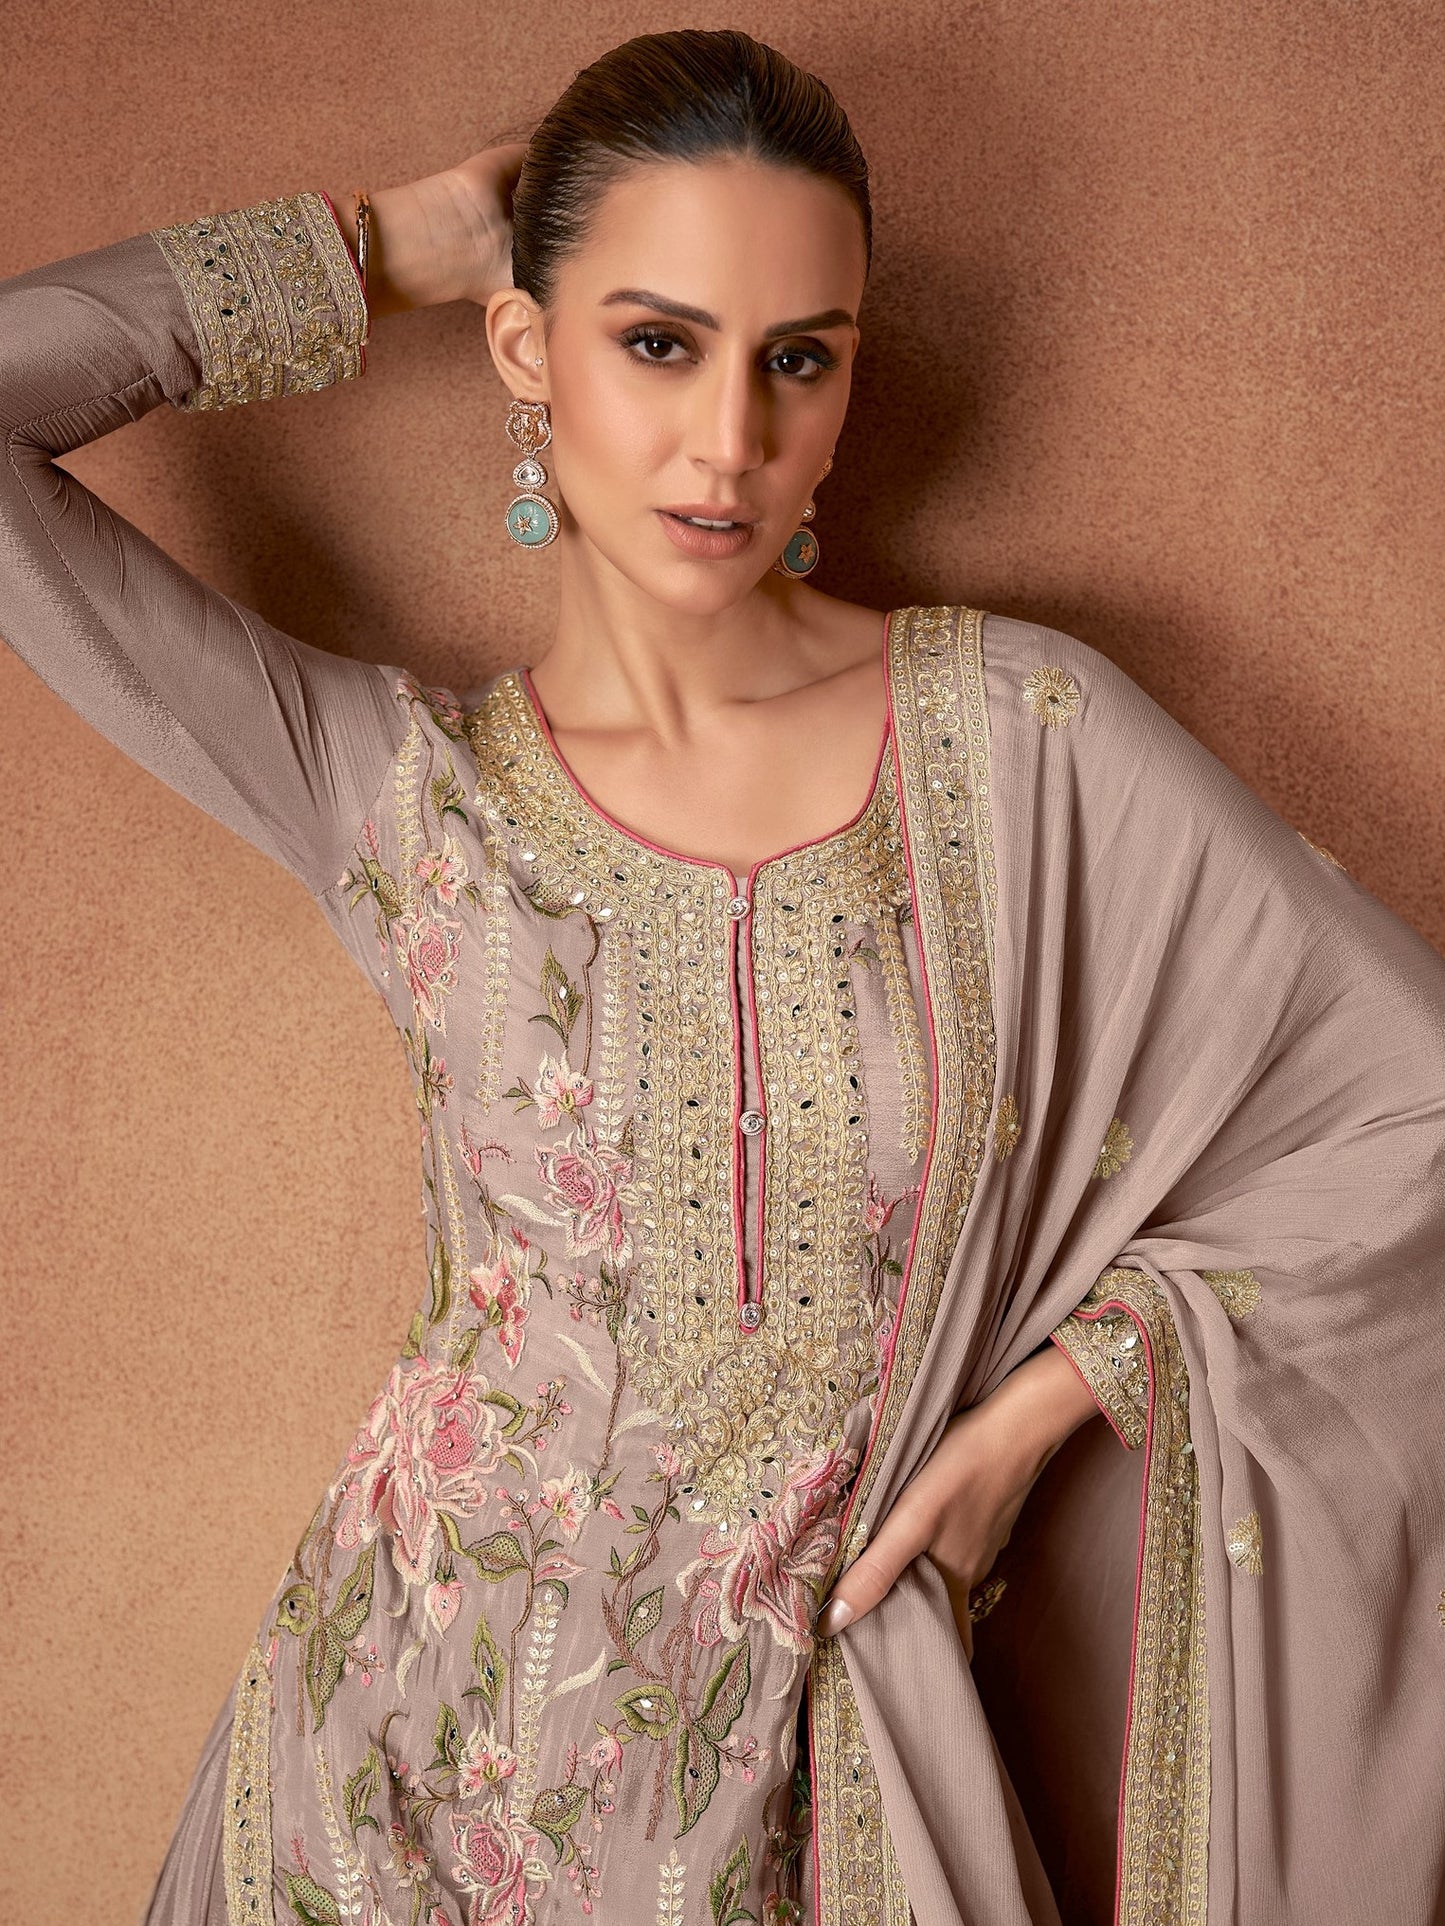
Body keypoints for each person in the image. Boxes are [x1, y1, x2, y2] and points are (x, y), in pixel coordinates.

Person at [3, 27, 1444, 1926]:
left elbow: (1408, 1111)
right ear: (530, 353)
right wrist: (389, 242)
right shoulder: (401, 792)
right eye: (654, 341)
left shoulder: (1018, 739)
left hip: (819, 1778)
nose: (729, 442)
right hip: (381, 1784)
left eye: (798, 358)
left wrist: (1050, 1407)